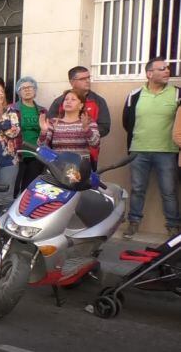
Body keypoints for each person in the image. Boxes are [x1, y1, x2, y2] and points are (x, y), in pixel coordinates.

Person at [122, 56, 181, 238]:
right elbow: (127, 122)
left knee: (169, 191)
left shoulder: (178, 94)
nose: (167, 71)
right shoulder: (134, 95)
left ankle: (173, 227)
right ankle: (133, 223)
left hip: (168, 152)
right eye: (162, 68)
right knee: (138, 189)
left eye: (167, 68)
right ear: (149, 73)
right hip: (139, 151)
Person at [48, 66, 110, 169]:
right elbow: (48, 130)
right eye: (83, 79)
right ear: (72, 82)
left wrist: (84, 131)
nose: (87, 81)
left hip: (88, 157)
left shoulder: (99, 101)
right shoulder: (59, 102)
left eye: (88, 78)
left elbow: (105, 127)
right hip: (59, 161)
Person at [38, 89, 99, 159]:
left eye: (73, 99)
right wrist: (43, 131)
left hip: (80, 166)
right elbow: (41, 146)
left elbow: (95, 144)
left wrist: (86, 129)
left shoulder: (88, 122)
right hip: (58, 166)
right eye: (66, 99)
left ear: (81, 105)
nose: (68, 102)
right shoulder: (53, 122)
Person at [11, 76, 47, 194]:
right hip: (17, 152)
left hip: (36, 153)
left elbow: (47, 133)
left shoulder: (42, 111)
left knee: (30, 186)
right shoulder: (12, 109)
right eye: (23, 88)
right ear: (19, 92)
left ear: (35, 90)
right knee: (14, 186)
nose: (27, 90)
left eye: (30, 87)